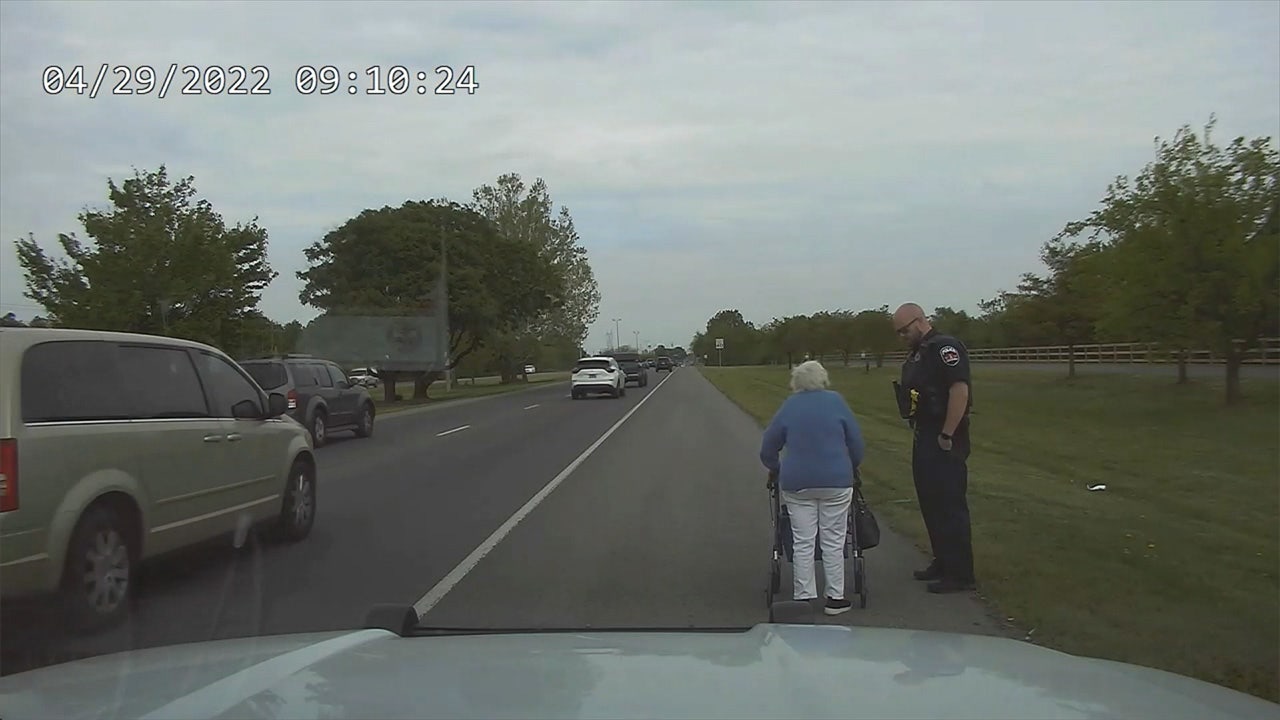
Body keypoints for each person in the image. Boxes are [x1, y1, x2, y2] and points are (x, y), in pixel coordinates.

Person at [760, 360, 865, 615]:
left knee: (803, 540)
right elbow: (856, 443)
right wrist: (851, 465)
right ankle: (835, 598)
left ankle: (804, 596)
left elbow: (768, 448)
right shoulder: (836, 401)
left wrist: (776, 466)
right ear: (823, 378)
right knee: (833, 538)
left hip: (798, 483)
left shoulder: (789, 406)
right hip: (836, 481)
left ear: (796, 382)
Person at [891, 302, 976, 594]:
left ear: (920, 320)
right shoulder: (919, 353)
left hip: (945, 434)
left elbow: (959, 390)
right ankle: (943, 560)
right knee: (931, 502)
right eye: (899, 333)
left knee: (950, 504)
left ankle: (961, 573)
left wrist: (947, 433)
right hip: (924, 433)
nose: (903, 336)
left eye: (905, 330)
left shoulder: (945, 348)